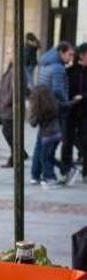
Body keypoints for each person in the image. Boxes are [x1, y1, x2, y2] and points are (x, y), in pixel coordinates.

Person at [36, 42, 78, 183]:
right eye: (69, 54)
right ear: (61, 53)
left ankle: (42, 175)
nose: (71, 58)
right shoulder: (58, 68)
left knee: (45, 145)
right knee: (49, 146)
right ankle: (53, 175)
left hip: (44, 109)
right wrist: (67, 103)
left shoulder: (46, 65)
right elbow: (58, 90)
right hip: (55, 110)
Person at [30, 85, 83, 189]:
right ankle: (67, 169)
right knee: (48, 157)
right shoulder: (54, 104)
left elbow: (33, 123)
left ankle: (50, 178)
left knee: (44, 158)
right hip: (57, 135)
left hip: (47, 137)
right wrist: (75, 101)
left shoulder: (39, 109)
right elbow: (66, 105)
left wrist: (32, 111)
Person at [0, 48, 29, 169]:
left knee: (9, 133)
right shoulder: (11, 68)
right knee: (10, 133)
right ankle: (17, 156)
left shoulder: (17, 70)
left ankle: (18, 155)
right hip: (8, 108)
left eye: (9, 53)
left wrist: (5, 103)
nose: (6, 55)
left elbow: (14, 90)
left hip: (11, 108)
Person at [62, 42, 87, 181]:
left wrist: (83, 96)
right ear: (82, 55)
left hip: (85, 112)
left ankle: (86, 172)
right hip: (70, 111)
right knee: (67, 142)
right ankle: (66, 169)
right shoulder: (69, 71)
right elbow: (64, 88)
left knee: (85, 141)